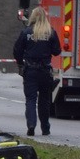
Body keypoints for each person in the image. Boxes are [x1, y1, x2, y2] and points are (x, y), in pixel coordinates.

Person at [13, 7, 61, 136]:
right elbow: (57, 51)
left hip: (30, 71)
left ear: (33, 17)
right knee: (44, 101)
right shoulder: (50, 32)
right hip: (45, 71)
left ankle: (31, 125)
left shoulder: (26, 32)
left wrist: (20, 63)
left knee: (30, 99)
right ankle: (45, 128)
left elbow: (17, 50)